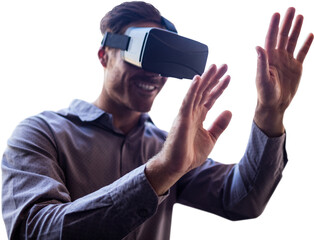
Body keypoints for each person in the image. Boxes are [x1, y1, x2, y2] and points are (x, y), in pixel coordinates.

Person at [1, 1, 313, 239]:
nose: (155, 73)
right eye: (145, 53)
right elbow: (34, 230)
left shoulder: (170, 148)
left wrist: (270, 114)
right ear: (104, 55)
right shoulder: (41, 133)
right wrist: (161, 171)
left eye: (165, 62)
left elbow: (243, 200)